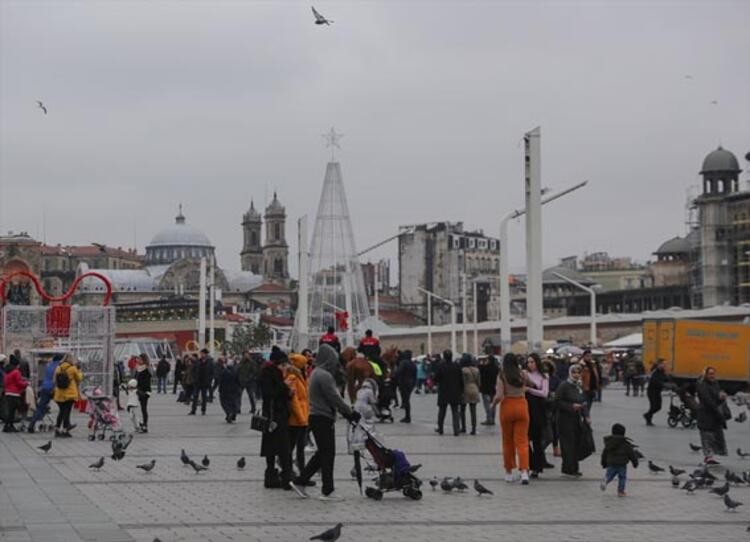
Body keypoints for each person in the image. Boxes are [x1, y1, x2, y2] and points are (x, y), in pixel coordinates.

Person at [294, 344, 360, 500]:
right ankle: (327, 490)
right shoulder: (324, 375)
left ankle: (301, 481)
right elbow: (334, 397)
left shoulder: (316, 373)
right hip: (322, 418)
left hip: (317, 417)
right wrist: (349, 412)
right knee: (328, 454)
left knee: (323, 453)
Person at [492, 353, 535, 484]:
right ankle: (524, 472)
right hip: (521, 406)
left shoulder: (501, 375)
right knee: (522, 442)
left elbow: (499, 395)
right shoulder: (522, 374)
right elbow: (533, 384)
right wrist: (524, 388)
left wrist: (493, 404)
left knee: (507, 441)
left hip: (507, 407)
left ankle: (509, 472)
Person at [259, 347, 294, 490]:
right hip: (277, 416)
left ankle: (270, 476)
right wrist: (287, 389)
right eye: (283, 364)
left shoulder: (265, 372)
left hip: (269, 415)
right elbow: (274, 393)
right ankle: (287, 478)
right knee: (284, 448)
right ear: (279, 363)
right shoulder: (275, 373)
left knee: (270, 449)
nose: (285, 367)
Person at [555, 364, 587, 477]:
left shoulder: (578, 386)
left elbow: (583, 401)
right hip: (565, 419)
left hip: (576, 419)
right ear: (569, 373)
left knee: (575, 443)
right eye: (574, 372)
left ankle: (574, 467)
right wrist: (571, 406)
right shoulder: (564, 385)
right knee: (567, 444)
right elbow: (557, 401)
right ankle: (568, 468)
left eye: (578, 372)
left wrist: (586, 415)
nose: (576, 375)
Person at [696, 366, 728, 465]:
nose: (712, 376)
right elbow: (706, 399)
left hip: (714, 414)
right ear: (705, 375)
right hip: (705, 413)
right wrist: (716, 408)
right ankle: (708, 457)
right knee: (706, 435)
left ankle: (711, 456)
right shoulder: (702, 384)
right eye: (710, 374)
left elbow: (716, 397)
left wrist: (721, 398)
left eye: (713, 373)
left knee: (715, 435)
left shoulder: (715, 384)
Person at [525, 353, 550, 478]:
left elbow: (544, 393)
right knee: (525, 439)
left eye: (532, 362)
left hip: (537, 410)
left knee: (537, 440)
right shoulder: (525, 374)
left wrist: (530, 390)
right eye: (528, 362)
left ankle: (537, 467)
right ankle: (530, 464)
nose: (530, 364)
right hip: (526, 408)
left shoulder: (543, 376)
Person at [286, 354, 310, 476]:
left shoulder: (300, 377)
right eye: (304, 364)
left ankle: (301, 471)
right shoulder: (293, 377)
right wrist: (301, 418)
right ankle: (292, 470)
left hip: (302, 416)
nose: (306, 366)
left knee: (299, 446)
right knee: (296, 446)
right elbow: (294, 400)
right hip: (296, 419)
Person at [600, 423, 639, 497]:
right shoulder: (626, 444)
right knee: (622, 477)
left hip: (611, 463)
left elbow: (604, 454)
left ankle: (605, 481)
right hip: (622, 464)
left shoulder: (609, 443)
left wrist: (603, 463)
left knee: (609, 475)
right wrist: (635, 463)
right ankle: (620, 492)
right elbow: (632, 454)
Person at [28, 355, 61, 433]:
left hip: (44, 387)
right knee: (63, 407)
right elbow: (55, 379)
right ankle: (60, 426)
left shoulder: (49, 365)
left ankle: (32, 424)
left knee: (40, 407)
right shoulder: (58, 366)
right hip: (53, 389)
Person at [53, 355, 83, 438]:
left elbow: (54, 380)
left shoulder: (58, 368)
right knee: (67, 413)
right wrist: (79, 371)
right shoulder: (73, 368)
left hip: (59, 395)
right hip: (70, 394)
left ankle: (57, 430)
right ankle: (65, 430)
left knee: (61, 412)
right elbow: (79, 378)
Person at [434, 350, 463, 436]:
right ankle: (456, 429)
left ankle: (440, 428)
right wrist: (461, 390)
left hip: (443, 392)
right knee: (455, 411)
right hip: (455, 392)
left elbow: (436, 379)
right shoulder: (457, 366)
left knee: (442, 411)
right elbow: (461, 380)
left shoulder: (441, 366)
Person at [2, 355, 28, 432]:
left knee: (11, 410)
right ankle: (9, 426)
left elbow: (6, 382)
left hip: (8, 393)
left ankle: (8, 425)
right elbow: (19, 383)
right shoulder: (16, 372)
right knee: (13, 411)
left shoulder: (7, 372)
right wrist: (26, 383)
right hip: (15, 393)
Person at [643, 359, 669, 426]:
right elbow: (655, 381)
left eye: (665, 364)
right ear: (659, 364)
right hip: (652, 391)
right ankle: (648, 419)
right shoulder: (655, 372)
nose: (664, 365)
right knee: (653, 406)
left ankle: (647, 415)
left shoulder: (662, 371)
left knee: (658, 407)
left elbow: (666, 379)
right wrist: (663, 384)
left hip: (657, 391)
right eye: (663, 364)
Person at [460, 354, 481, 435]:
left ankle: (463, 427)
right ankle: (473, 428)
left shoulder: (463, 370)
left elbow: (461, 381)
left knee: (462, 410)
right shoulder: (476, 370)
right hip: (474, 389)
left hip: (465, 389)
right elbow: (479, 382)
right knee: (473, 411)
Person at [394, 350, 416, 423]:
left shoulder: (403, 363)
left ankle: (407, 417)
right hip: (411, 383)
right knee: (407, 400)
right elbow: (415, 375)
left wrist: (394, 377)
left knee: (406, 400)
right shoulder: (413, 364)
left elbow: (399, 372)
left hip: (404, 383)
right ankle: (407, 416)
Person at [189, 349, 213, 415]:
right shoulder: (198, 361)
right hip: (197, 382)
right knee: (195, 396)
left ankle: (203, 410)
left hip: (205, 382)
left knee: (204, 397)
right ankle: (193, 410)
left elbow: (212, 372)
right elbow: (193, 370)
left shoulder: (210, 362)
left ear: (206, 354)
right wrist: (194, 378)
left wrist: (209, 380)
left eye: (202, 353)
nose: (201, 355)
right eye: (201, 353)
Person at [479, 355, 499, 426]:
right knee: (493, 404)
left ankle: (489, 418)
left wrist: (482, 363)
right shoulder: (496, 368)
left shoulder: (484, 368)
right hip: (493, 389)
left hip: (485, 389)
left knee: (487, 405)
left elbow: (479, 369)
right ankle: (492, 419)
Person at [135, 354, 152, 433]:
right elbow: (135, 379)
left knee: (143, 408)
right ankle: (139, 424)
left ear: (143, 360)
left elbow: (146, 382)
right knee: (136, 408)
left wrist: (144, 391)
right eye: (138, 359)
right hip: (137, 390)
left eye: (139, 359)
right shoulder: (138, 369)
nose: (138, 360)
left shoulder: (146, 369)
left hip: (144, 391)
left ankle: (145, 425)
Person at [580, 350, 600, 414]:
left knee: (589, 407)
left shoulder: (593, 365)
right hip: (584, 389)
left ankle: (586, 420)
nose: (589, 357)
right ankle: (585, 420)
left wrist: (597, 385)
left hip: (592, 388)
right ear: (583, 356)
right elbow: (580, 377)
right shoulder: (581, 365)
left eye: (590, 356)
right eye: (587, 356)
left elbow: (596, 375)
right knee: (585, 406)